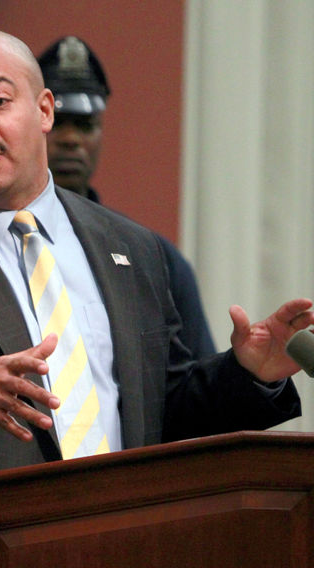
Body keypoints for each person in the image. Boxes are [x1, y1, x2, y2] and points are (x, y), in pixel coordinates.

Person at [0, 29, 314, 568]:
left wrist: (245, 374)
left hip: (124, 556)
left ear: (43, 110)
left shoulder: (132, 248)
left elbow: (157, 411)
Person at [38, 35, 217, 358]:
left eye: (85, 125)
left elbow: (198, 385)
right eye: (58, 123)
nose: (70, 140)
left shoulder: (152, 258)